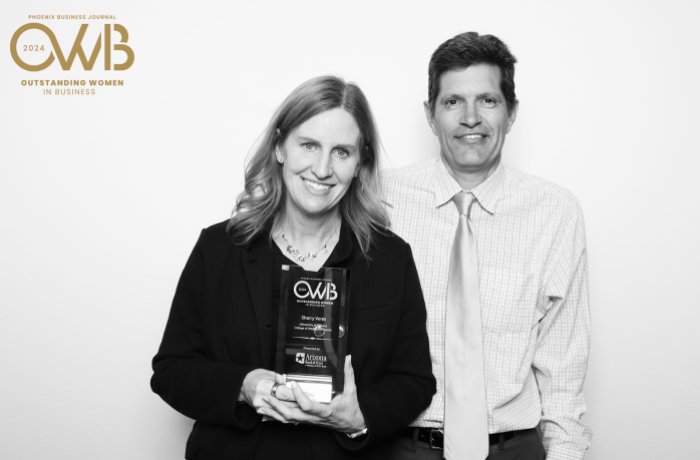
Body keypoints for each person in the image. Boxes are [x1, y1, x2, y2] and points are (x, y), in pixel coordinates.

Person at [151, 75, 435, 460]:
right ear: (280, 147)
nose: (322, 169)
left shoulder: (389, 258)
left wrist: (357, 417)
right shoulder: (219, 248)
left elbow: (415, 380)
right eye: (309, 145)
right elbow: (171, 369)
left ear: (360, 163)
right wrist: (245, 386)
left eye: (341, 152)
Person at [384, 32, 592, 460]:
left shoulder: (555, 212)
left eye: (488, 101)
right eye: (453, 101)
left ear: (511, 113)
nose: (471, 118)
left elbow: (563, 369)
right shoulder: (380, 201)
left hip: (513, 448)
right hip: (401, 447)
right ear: (430, 114)